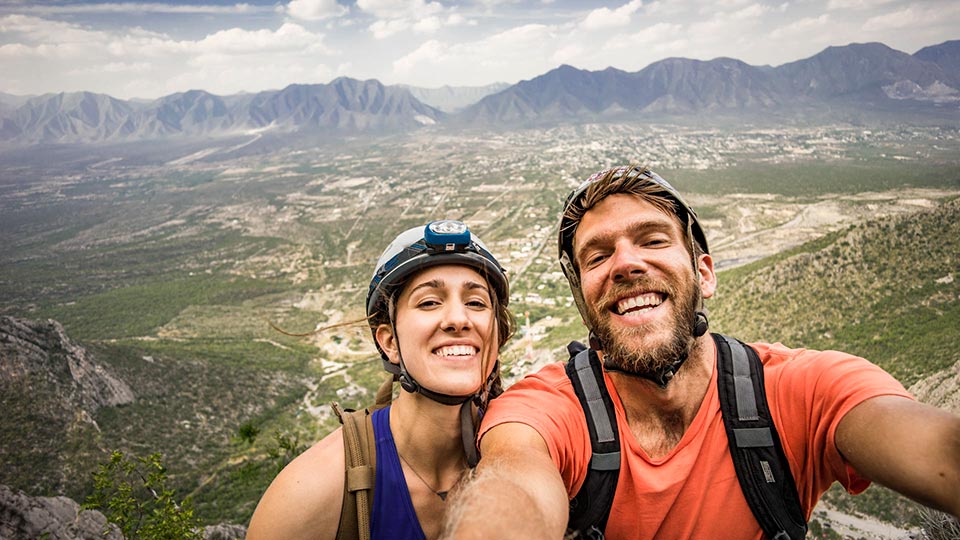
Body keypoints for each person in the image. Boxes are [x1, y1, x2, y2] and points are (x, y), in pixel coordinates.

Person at [442, 165, 960, 539]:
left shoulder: (803, 390)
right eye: (598, 256)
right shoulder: (547, 409)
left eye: (652, 240)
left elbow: (936, 450)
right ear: (584, 302)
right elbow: (513, 484)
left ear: (704, 274)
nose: (626, 264)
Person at [248, 219, 514, 540]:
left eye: (476, 303)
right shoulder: (309, 495)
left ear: (496, 334)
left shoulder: (525, 448)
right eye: (429, 302)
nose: (459, 319)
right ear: (389, 343)